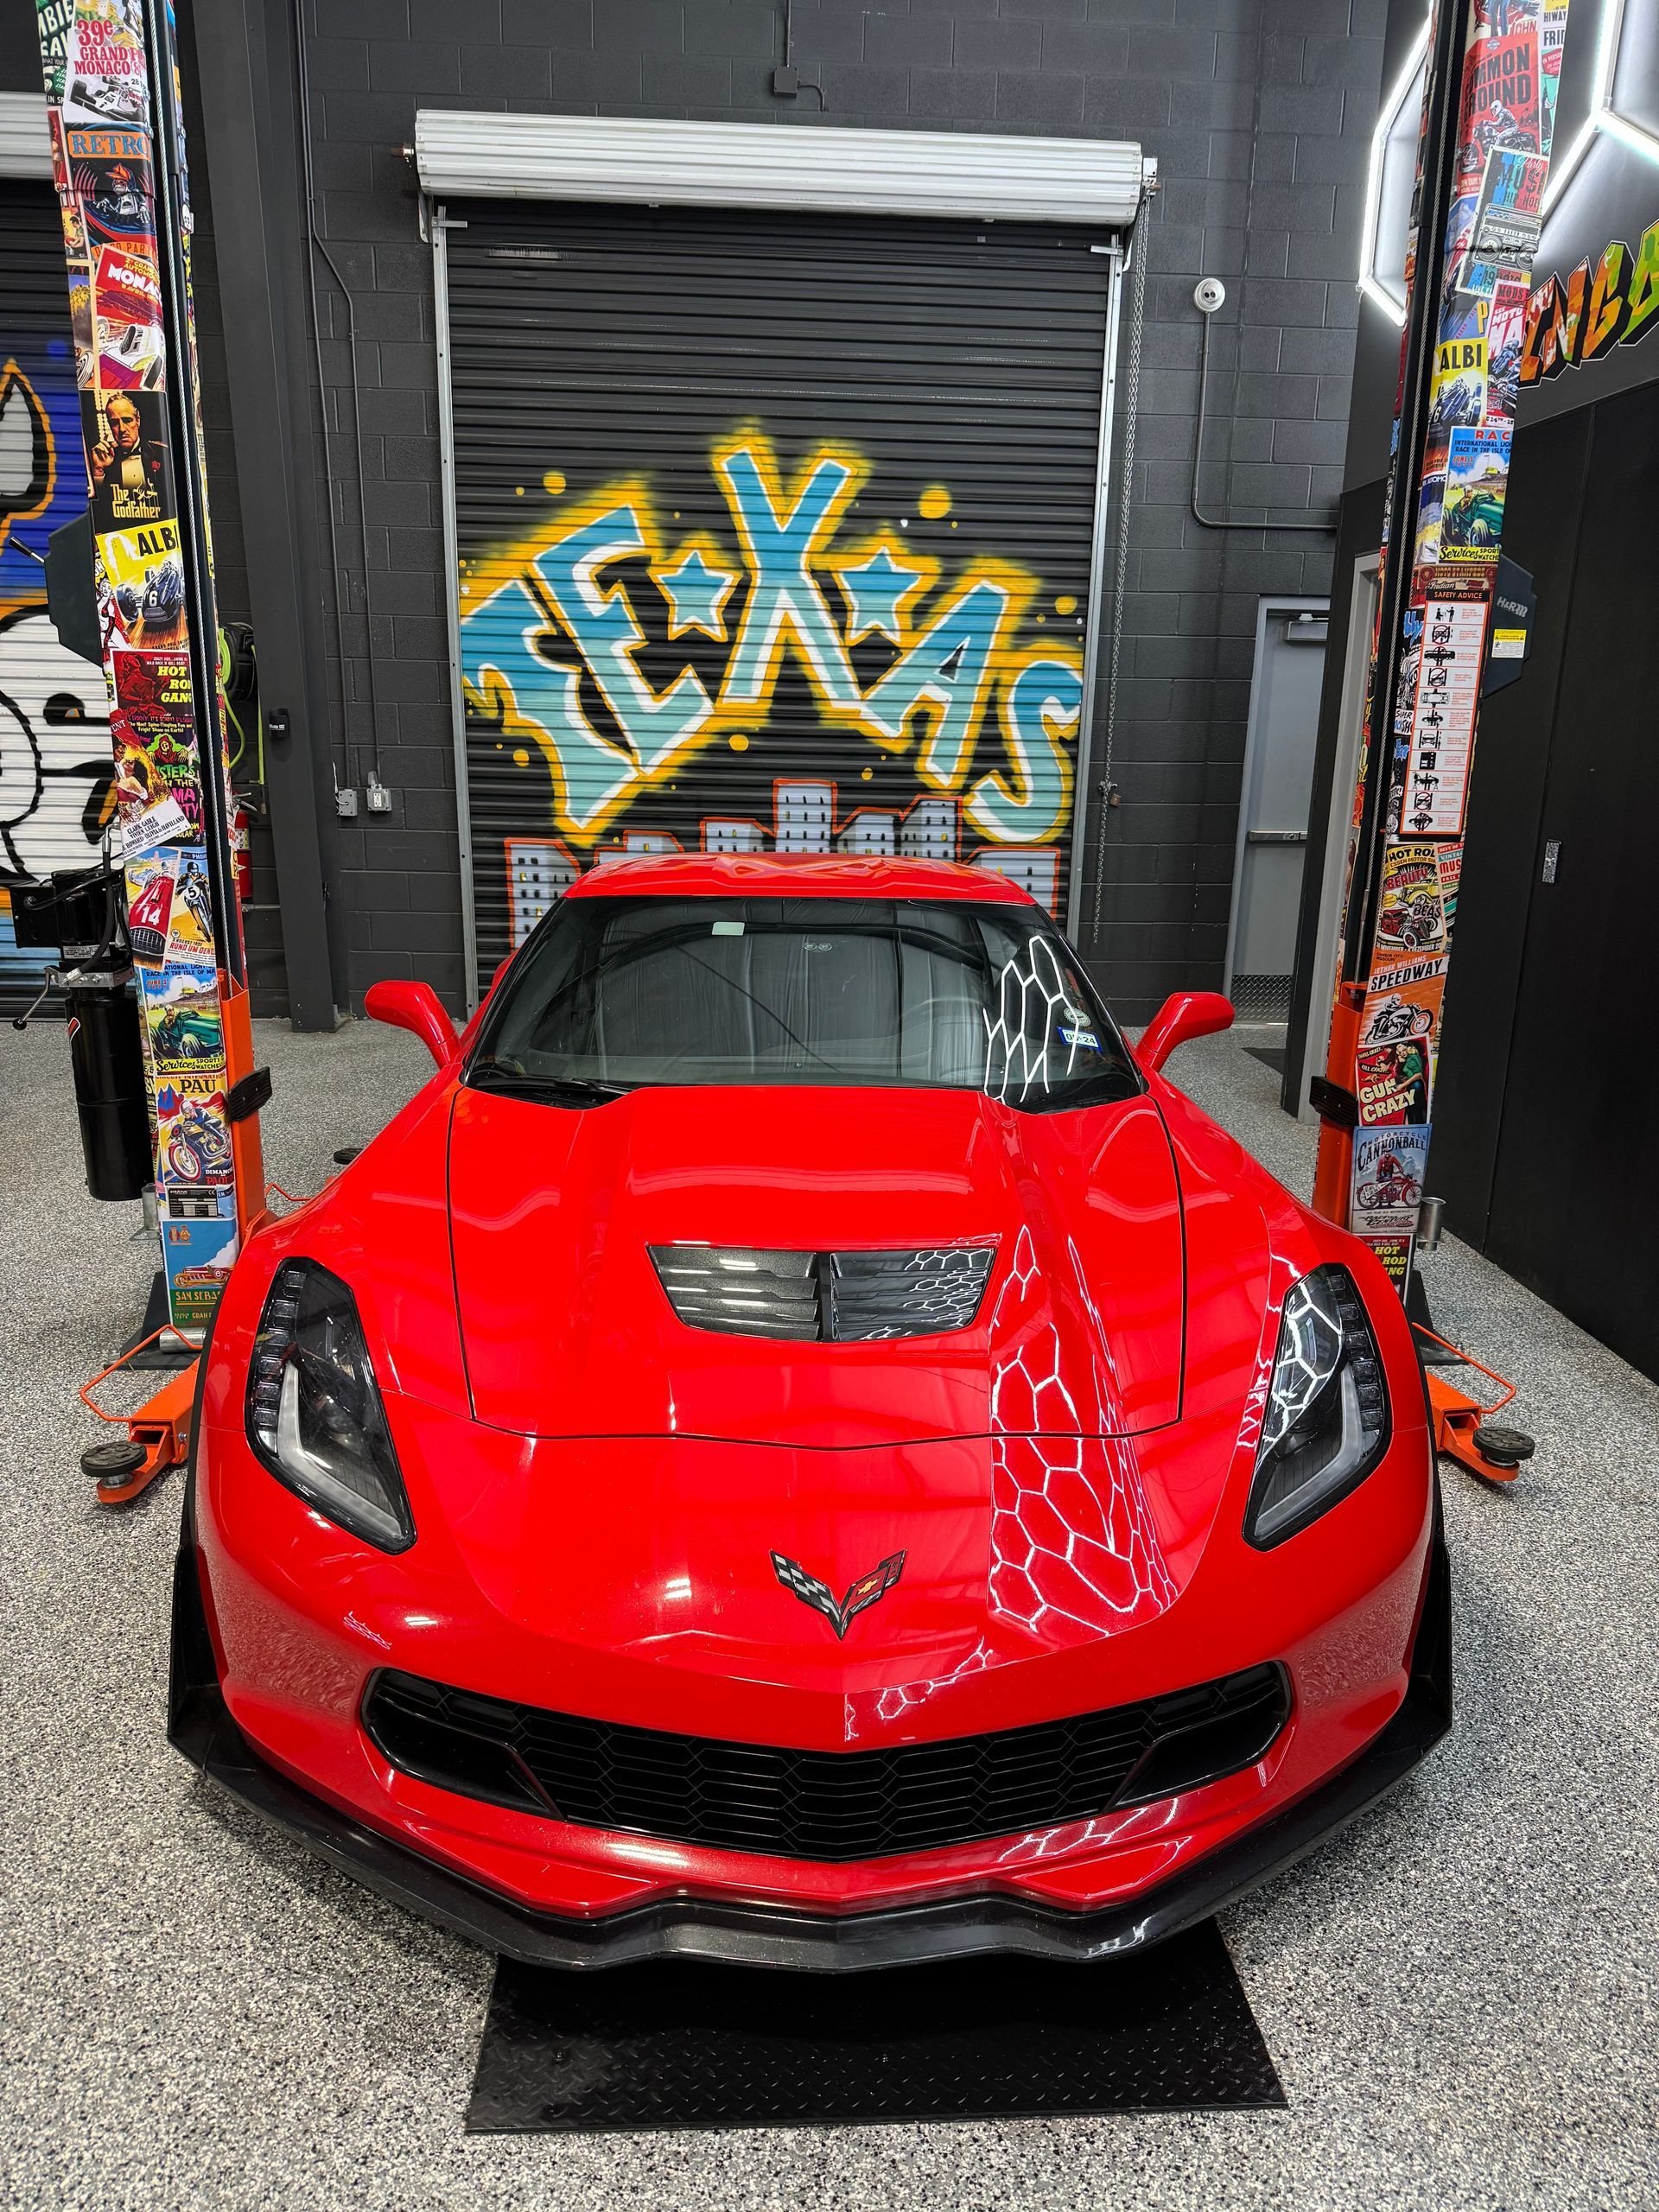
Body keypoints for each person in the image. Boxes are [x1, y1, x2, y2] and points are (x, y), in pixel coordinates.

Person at [89, 393, 169, 530]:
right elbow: (100, 515)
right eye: (114, 423)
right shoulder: (105, 460)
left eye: (127, 420)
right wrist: (98, 471)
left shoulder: (162, 453)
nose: (122, 429)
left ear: (137, 420)